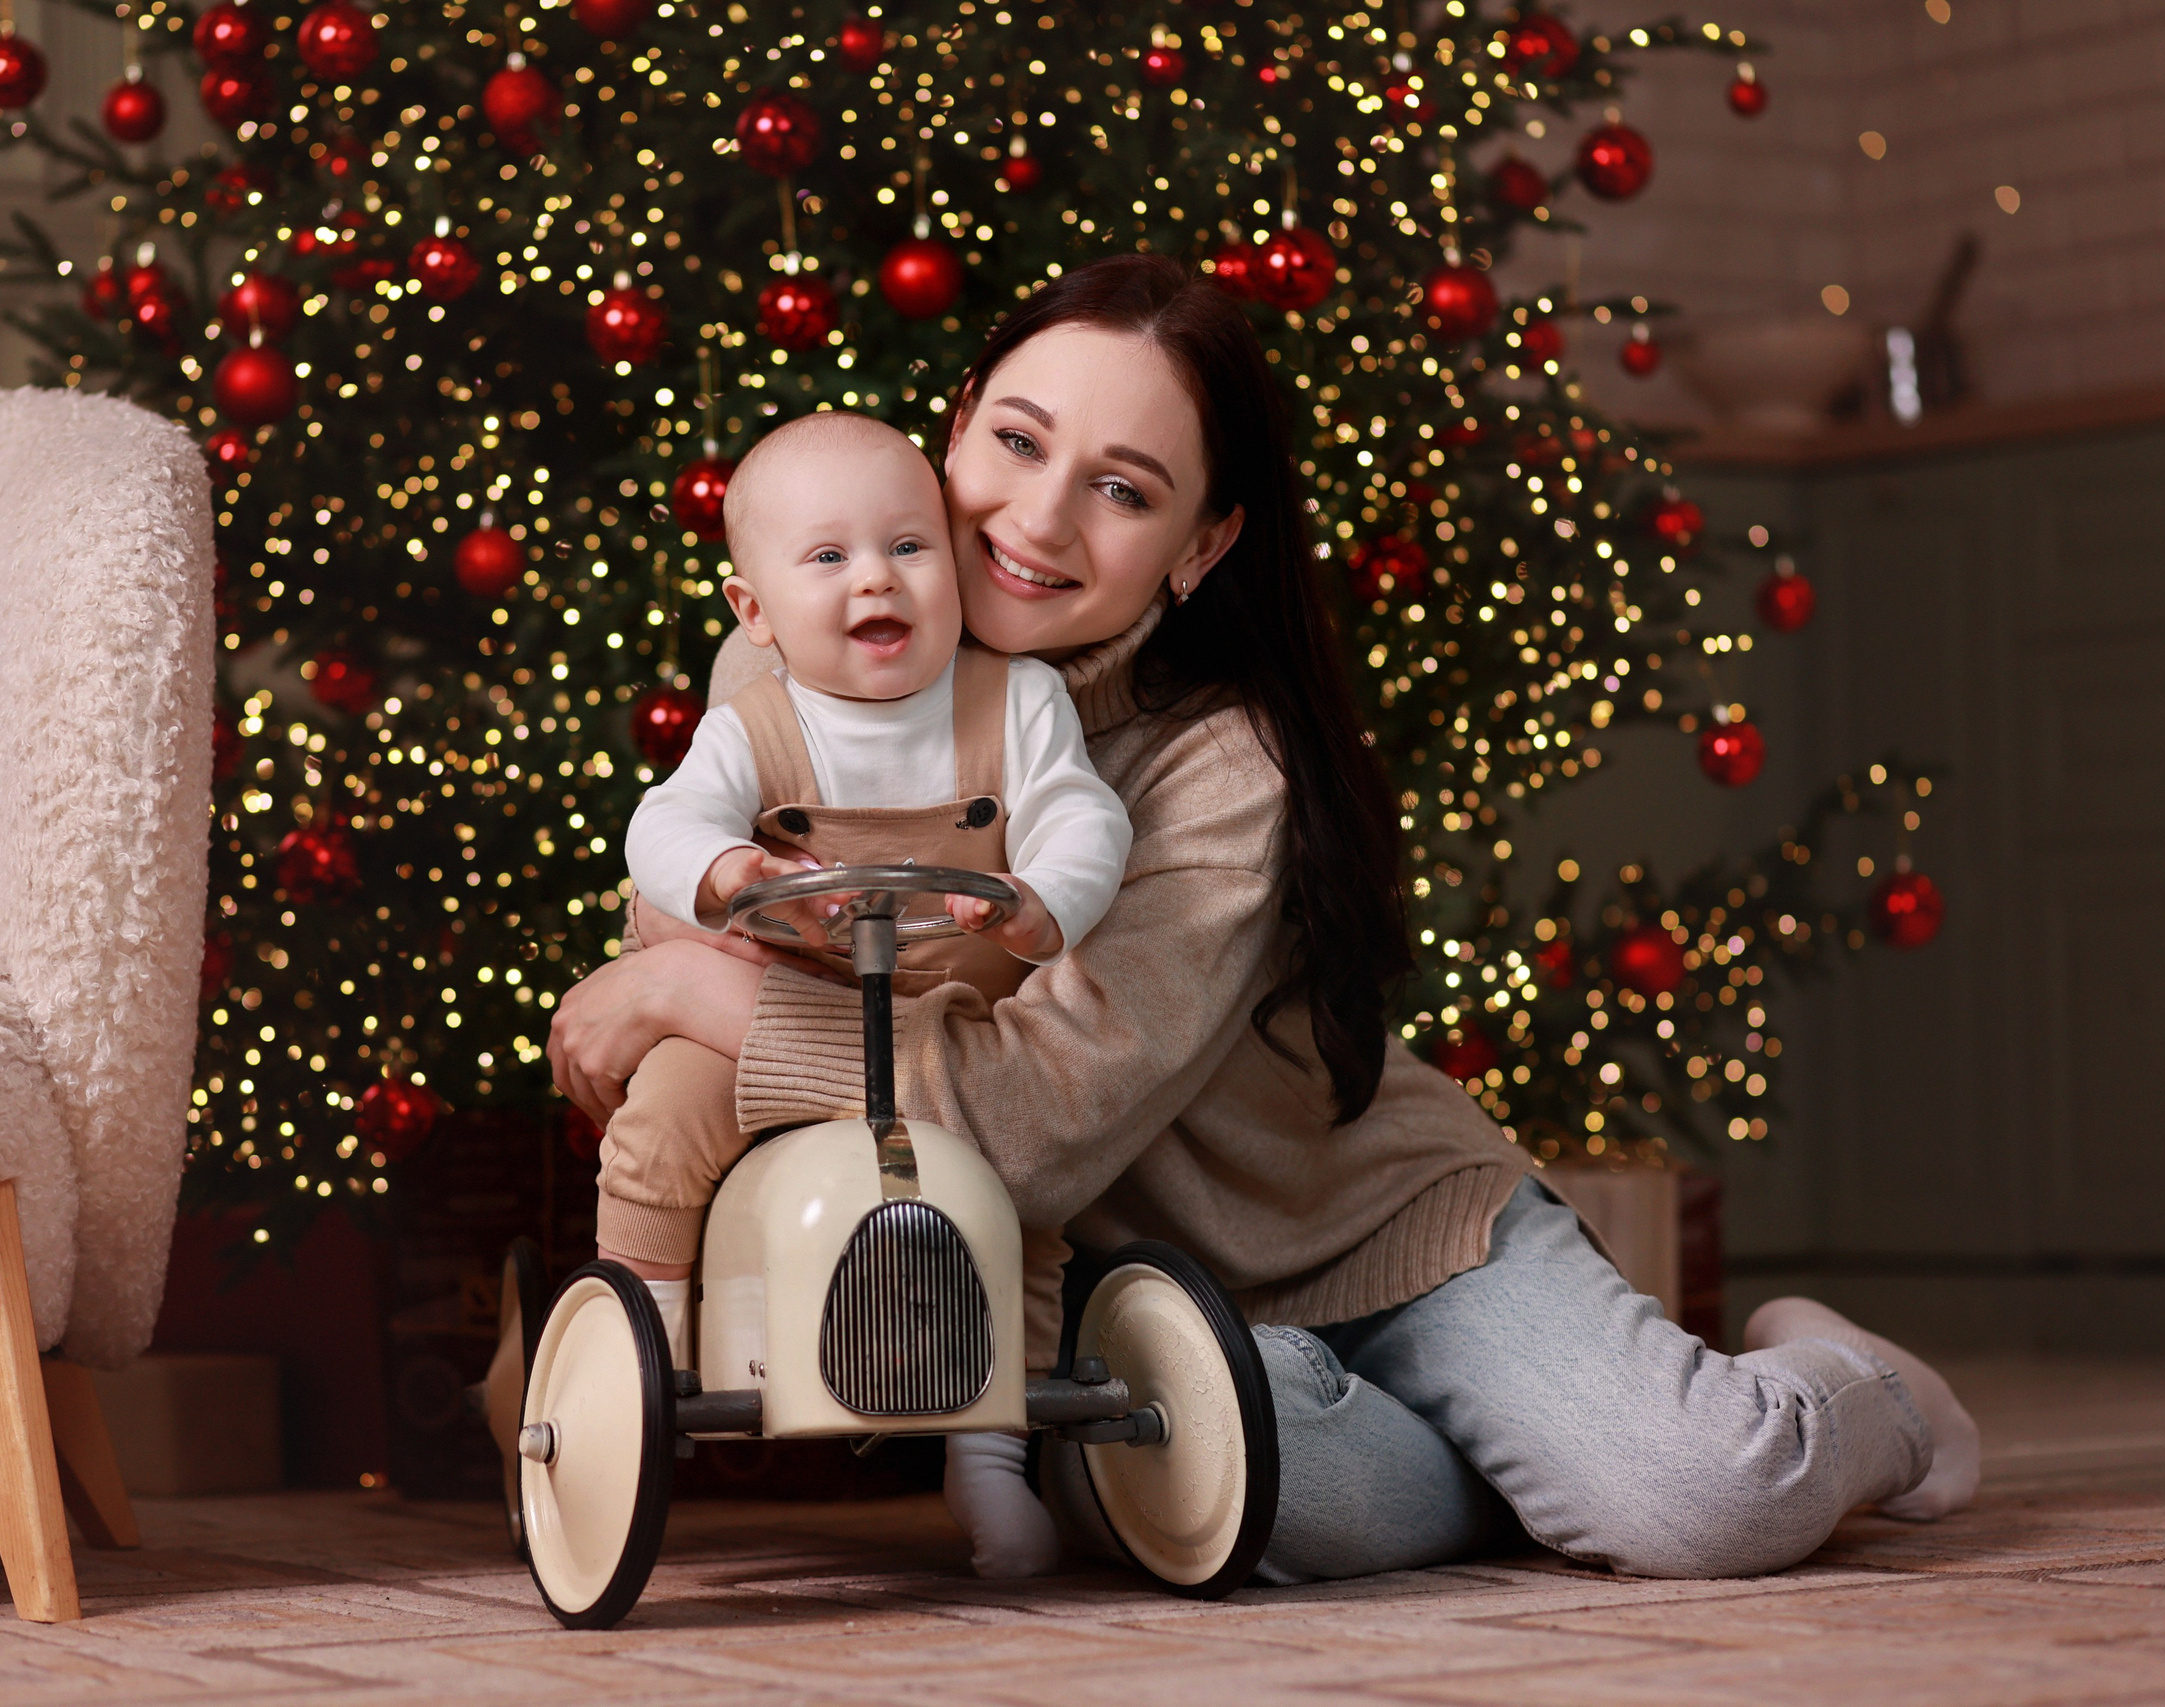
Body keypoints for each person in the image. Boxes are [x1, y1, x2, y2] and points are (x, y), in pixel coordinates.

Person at [547, 254, 1981, 1585]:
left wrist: (686, 997)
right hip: (1142, 1304)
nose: (1038, 520)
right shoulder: (796, 661)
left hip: (1384, 1239)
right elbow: (705, 914)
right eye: (1019, 443)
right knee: (1191, 1476)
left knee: (1705, 1495)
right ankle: (1503, 1455)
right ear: (958, 422)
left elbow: (1026, 1124)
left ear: (1200, 542)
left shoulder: (1223, 767)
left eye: (1124, 490)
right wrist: (679, 973)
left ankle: (1857, 1389)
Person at [598, 411, 1130, 1572]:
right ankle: (640, 1363)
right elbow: (663, 825)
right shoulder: (752, 725)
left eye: (908, 546)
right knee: (665, 1118)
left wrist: (1040, 897)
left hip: (955, 1020)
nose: (876, 580)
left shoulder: (1018, 700)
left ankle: (990, 1451)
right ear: (755, 612)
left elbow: (1085, 815)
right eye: (829, 557)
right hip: (782, 1012)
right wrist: (727, 870)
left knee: (1023, 1195)